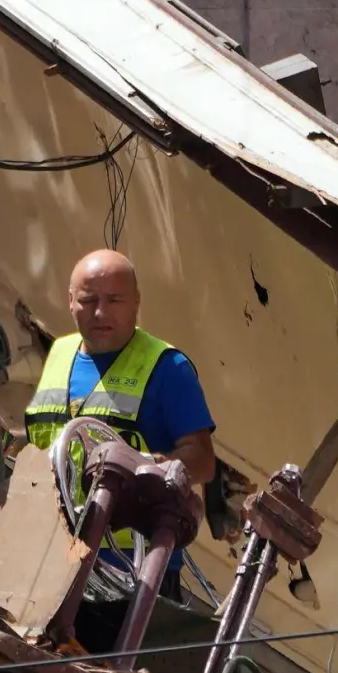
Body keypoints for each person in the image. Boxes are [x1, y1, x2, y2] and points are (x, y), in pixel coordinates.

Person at [23, 249, 216, 589]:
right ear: (70, 300)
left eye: (114, 300)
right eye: (88, 300)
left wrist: (153, 468)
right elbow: (51, 439)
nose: (100, 312)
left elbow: (203, 461)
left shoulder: (168, 368)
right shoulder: (59, 353)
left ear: (136, 301)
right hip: (49, 560)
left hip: (132, 573)